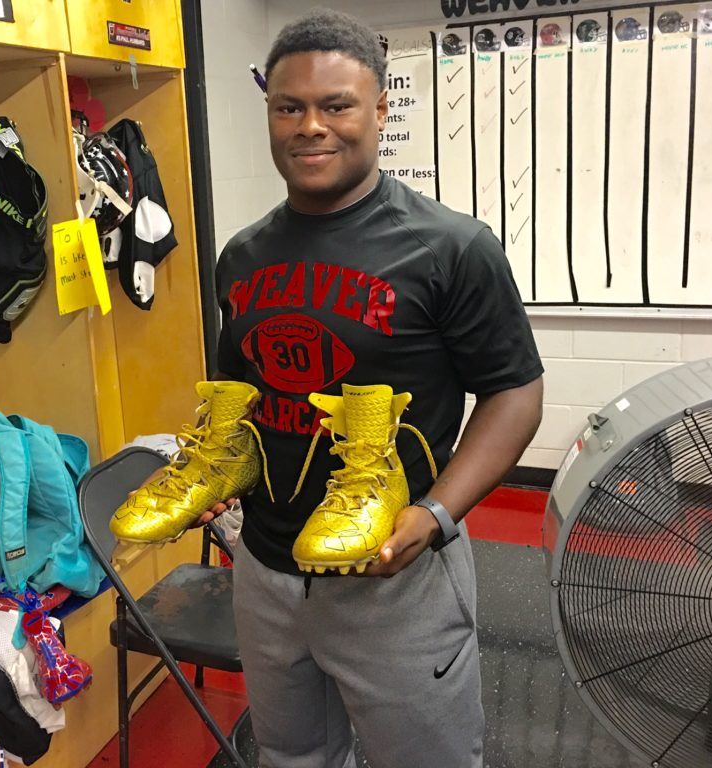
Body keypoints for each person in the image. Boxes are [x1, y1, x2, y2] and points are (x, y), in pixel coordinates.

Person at [207, 9, 544, 768]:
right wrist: (228, 465)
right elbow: (243, 383)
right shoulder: (242, 255)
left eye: (336, 105)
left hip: (395, 578)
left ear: (380, 110)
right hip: (266, 571)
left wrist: (433, 515)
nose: (310, 127)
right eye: (289, 107)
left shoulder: (452, 247)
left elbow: (515, 394)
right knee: (291, 758)